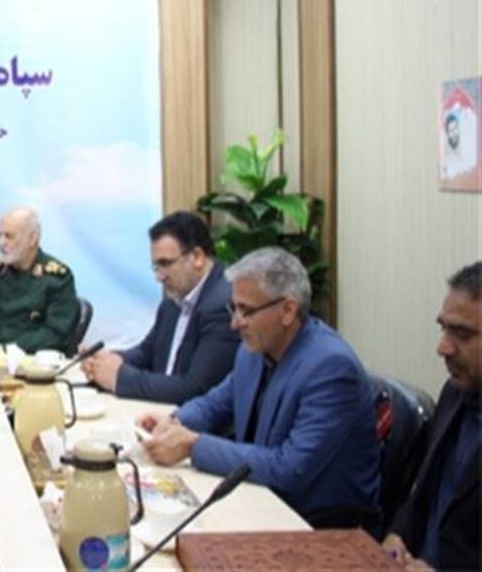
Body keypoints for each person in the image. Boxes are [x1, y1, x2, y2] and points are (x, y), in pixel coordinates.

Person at [136, 247, 380, 529]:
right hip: (262, 498)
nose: (234, 323)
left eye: (246, 311)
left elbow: (289, 468)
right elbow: (216, 403)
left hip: (318, 526)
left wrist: (192, 445)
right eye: (234, 308)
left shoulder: (331, 367)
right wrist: (175, 422)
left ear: (287, 310)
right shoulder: (254, 349)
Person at [81, 212, 239, 404]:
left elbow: (195, 388)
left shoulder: (223, 306)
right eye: (156, 266)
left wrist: (118, 377)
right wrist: (104, 362)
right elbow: (147, 353)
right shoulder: (175, 297)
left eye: (165, 264)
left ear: (197, 257)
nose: (159, 276)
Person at [384, 262, 480, 571]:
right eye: (444, 328)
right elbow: (424, 492)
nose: (443, 348)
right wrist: (398, 535)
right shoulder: (455, 393)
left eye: (462, 334)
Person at [0, 206, 79, 354]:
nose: (1, 243)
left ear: (32, 239)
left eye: (9, 236)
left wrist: (6, 351)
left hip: (33, 362)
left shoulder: (57, 278)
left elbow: (56, 334)